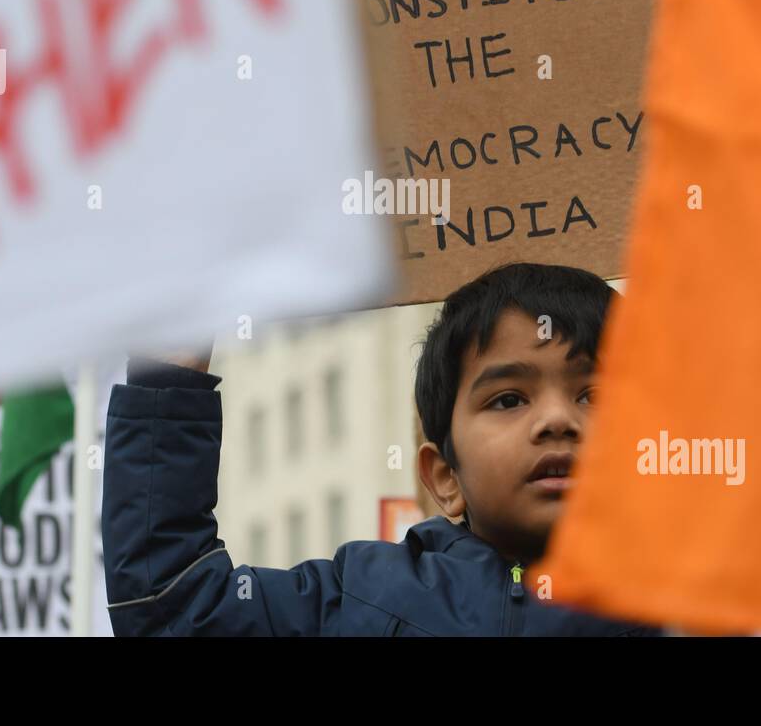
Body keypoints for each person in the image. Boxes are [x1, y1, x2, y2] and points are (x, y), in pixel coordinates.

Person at [101, 262, 657, 636]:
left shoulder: (711, 597)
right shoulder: (367, 603)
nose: (558, 419)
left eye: (596, 395)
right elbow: (175, 606)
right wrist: (165, 379)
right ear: (444, 479)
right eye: (510, 399)